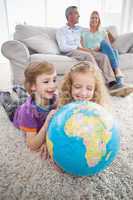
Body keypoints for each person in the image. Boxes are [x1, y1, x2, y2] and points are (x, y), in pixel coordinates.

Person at [56, 6, 123, 92]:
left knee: (103, 57)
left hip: (82, 50)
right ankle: (101, 82)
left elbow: (95, 28)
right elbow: (63, 47)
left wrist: (106, 32)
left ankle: (112, 82)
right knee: (88, 55)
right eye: (76, 13)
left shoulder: (80, 29)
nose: (79, 15)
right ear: (70, 15)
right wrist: (78, 48)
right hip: (70, 51)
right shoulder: (61, 30)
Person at [0, 61, 58, 153]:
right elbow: (32, 145)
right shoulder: (27, 112)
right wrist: (46, 124)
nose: (53, 85)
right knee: (9, 104)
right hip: (16, 113)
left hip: (31, 99)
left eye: (54, 80)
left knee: (24, 97)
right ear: (33, 86)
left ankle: (19, 89)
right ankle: (3, 94)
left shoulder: (56, 100)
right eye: (46, 81)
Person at [81, 10, 123, 86]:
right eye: (92, 18)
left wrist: (100, 47)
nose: (94, 19)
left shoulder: (103, 32)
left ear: (99, 20)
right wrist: (92, 50)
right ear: (89, 20)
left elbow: (108, 46)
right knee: (112, 50)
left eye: (96, 18)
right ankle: (119, 78)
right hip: (92, 52)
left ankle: (118, 81)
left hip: (102, 51)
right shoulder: (84, 32)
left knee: (113, 50)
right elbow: (82, 47)